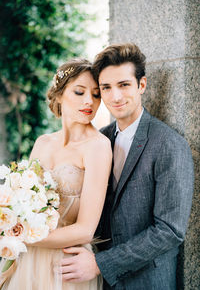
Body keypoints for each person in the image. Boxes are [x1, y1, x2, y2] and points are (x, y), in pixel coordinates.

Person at [60, 43, 194, 290]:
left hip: (147, 281)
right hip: (98, 282)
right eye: (106, 88)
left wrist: (102, 263)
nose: (115, 96)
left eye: (124, 85)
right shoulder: (100, 139)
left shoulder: (169, 144)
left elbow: (169, 231)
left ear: (141, 85)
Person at [2, 59, 112, 290]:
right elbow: (22, 202)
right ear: (59, 95)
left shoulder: (98, 147)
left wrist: (20, 237)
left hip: (65, 265)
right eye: (80, 92)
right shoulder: (42, 143)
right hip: (26, 261)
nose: (89, 102)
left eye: (96, 94)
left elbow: (85, 229)